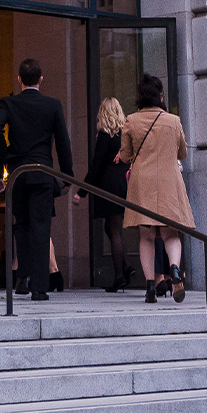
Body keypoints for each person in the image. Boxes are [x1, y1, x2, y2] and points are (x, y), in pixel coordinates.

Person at [0, 59, 74, 301]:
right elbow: (62, 141)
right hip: (42, 172)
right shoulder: (52, 105)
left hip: (18, 171)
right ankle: (39, 287)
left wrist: (6, 160)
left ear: (19, 79)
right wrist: (67, 174)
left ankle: (23, 278)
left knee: (22, 226)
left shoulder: (9, 103)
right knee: (41, 227)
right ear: (41, 79)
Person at [121, 74, 195, 303]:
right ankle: (174, 269)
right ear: (160, 95)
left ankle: (151, 286)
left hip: (142, 183)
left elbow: (125, 156)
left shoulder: (131, 121)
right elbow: (182, 153)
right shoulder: (173, 121)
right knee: (171, 233)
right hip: (168, 182)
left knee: (146, 235)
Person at [80, 97, 132, 292]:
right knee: (112, 229)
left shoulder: (105, 135)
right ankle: (126, 266)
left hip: (109, 187)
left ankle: (119, 275)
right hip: (124, 185)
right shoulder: (124, 134)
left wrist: (81, 191)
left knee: (114, 229)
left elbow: (96, 165)